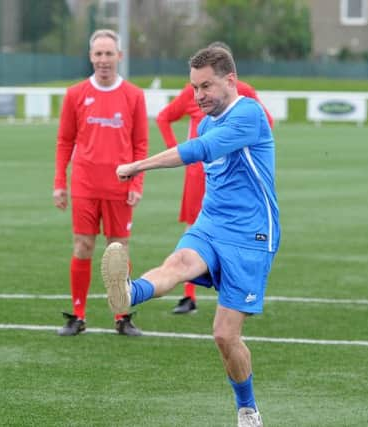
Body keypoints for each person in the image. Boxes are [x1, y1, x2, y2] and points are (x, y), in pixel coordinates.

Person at [101, 46, 279, 427]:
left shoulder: (248, 113)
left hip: (251, 234)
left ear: (230, 80)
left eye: (207, 86)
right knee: (178, 263)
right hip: (211, 223)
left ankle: (247, 408)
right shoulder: (208, 120)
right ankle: (128, 293)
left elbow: (199, 150)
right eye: (195, 88)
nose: (198, 96)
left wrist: (138, 165)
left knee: (224, 336)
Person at [156, 41, 274, 315]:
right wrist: (175, 150)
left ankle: (235, 294)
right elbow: (164, 117)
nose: (201, 93)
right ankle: (189, 295)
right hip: (198, 172)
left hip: (236, 178)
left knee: (228, 234)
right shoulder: (192, 92)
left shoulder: (245, 95)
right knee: (193, 229)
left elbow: (266, 123)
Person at [53, 29, 148, 336]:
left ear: (119, 56)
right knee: (83, 247)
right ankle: (78, 315)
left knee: (118, 251)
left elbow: (141, 145)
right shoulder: (75, 94)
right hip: (85, 185)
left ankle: (122, 315)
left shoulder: (134, 95)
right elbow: (64, 141)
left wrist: (136, 184)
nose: (103, 60)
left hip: (120, 187)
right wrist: (60, 182)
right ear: (90, 57)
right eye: (98, 54)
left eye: (109, 54)